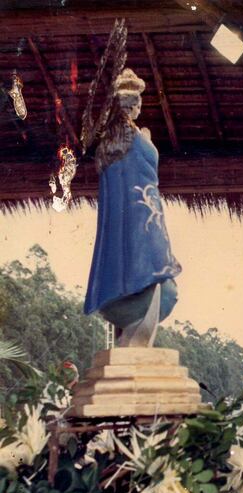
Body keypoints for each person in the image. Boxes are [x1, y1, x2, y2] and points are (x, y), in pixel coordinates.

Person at [84, 68, 181, 347]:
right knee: (159, 286)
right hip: (142, 215)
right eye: (136, 102)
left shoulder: (113, 141)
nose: (138, 107)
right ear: (133, 104)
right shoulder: (134, 138)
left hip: (133, 215)